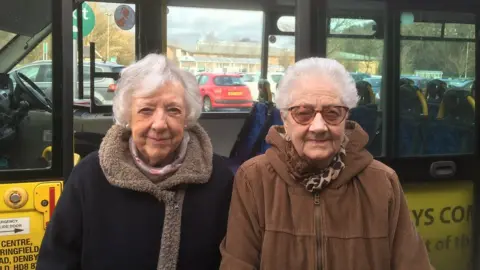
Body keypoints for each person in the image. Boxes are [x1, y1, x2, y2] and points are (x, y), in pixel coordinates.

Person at [220, 57, 433, 270]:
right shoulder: (254, 179)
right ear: (285, 119)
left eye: (332, 113)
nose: (319, 126)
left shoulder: (383, 182)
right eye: (303, 113)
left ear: (346, 117)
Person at [36, 54, 234, 270]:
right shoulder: (90, 175)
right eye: (146, 110)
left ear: (187, 118)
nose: (159, 124)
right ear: (127, 116)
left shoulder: (219, 178)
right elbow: (56, 260)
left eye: (173, 110)